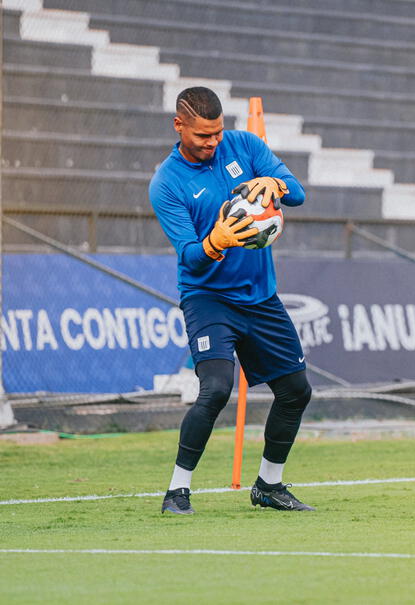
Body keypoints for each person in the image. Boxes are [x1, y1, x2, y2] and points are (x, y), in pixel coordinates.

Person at [149, 86, 314, 514]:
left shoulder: (246, 145)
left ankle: (269, 486)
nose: (213, 142)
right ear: (179, 126)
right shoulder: (166, 183)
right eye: (204, 135)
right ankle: (177, 491)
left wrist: (274, 182)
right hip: (209, 299)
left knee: (296, 391)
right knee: (216, 389)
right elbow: (190, 257)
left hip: (260, 296)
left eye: (218, 133)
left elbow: (296, 193)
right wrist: (214, 242)